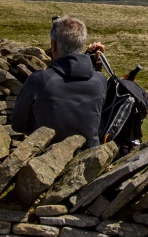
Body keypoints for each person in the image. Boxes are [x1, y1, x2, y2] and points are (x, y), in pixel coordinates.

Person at [10, 14, 109, 147]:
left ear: (53, 45)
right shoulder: (100, 80)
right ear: (81, 42)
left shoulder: (40, 80)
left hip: (48, 160)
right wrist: (92, 61)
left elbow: (18, 124)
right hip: (89, 161)